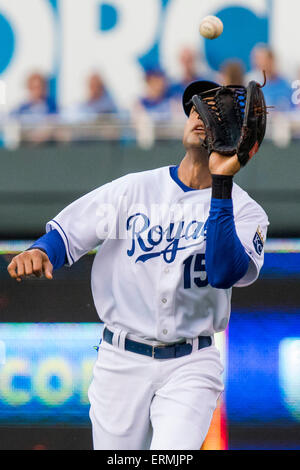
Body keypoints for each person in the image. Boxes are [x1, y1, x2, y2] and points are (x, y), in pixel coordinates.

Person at [8, 80, 269, 450]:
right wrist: (41, 251)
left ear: (233, 136)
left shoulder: (245, 211)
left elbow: (225, 271)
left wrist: (222, 184)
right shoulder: (134, 189)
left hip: (190, 364)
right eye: (195, 110)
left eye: (213, 115)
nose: (199, 117)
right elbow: (67, 234)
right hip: (121, 360)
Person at [247, 45, 293, 111]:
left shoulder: (286, 83)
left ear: (272, 60)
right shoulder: (252, 83)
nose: (259, 63)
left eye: (262, 59)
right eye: (256, 59)